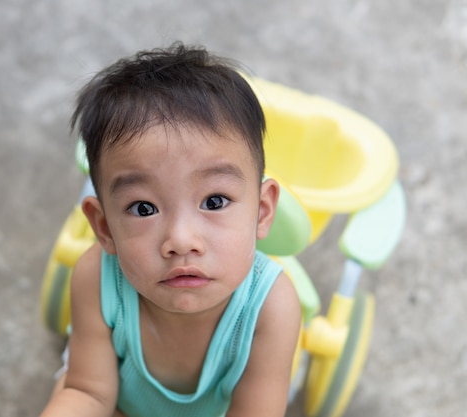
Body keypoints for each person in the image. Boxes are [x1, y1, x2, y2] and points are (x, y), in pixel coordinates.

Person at [40, 42, 301, 417]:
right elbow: (89, 392)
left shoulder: (270, 307)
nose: (180, 241)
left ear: (261, 211)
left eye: (214, 202)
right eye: (143, 208)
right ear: (104, 226)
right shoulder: (97, 278)